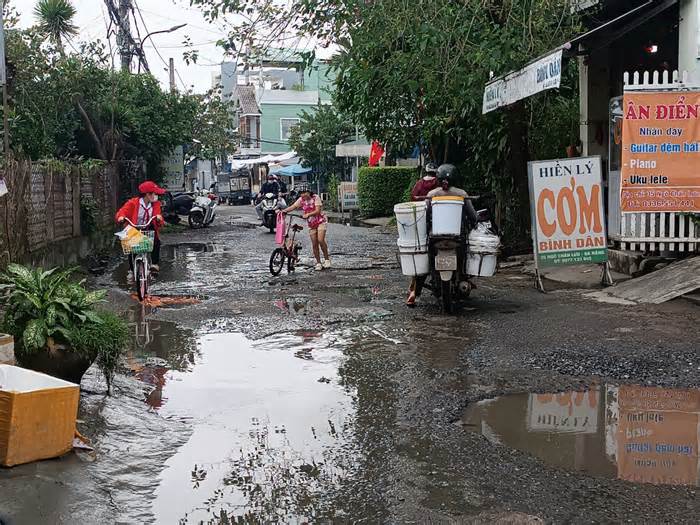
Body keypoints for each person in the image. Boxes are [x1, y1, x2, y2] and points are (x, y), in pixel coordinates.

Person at [406, 162, 439, 307]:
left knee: (421, 255)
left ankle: (414, 291)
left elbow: (412, 203)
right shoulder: (441, 186)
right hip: (441, 225)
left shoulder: (419, 185)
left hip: (422, 226)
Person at [116, 181, 166, 272]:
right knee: (132, 249)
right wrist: (121, 217)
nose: (156, 196)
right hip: (135, 227)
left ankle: (154, 264)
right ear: (147, 194)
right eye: (154, 193)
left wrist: (159, 218)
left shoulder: (156, 204)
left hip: (148, 227)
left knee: (156, 241)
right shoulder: (133, 203)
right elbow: (122, 211)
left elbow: (159, 217)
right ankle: (132, 270)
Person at [281, 184, 331, 271]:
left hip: (320, 221)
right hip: (311, 224)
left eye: (304, 192)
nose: (302, 195)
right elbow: (294, 206)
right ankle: (318, 262)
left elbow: (318, 210)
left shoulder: (316, 198)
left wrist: (308, 214)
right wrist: (284, 211)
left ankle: (327, 260)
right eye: (301, 193)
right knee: (314, 243)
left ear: (309, 192)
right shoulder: (301, 200)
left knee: (320, 240)